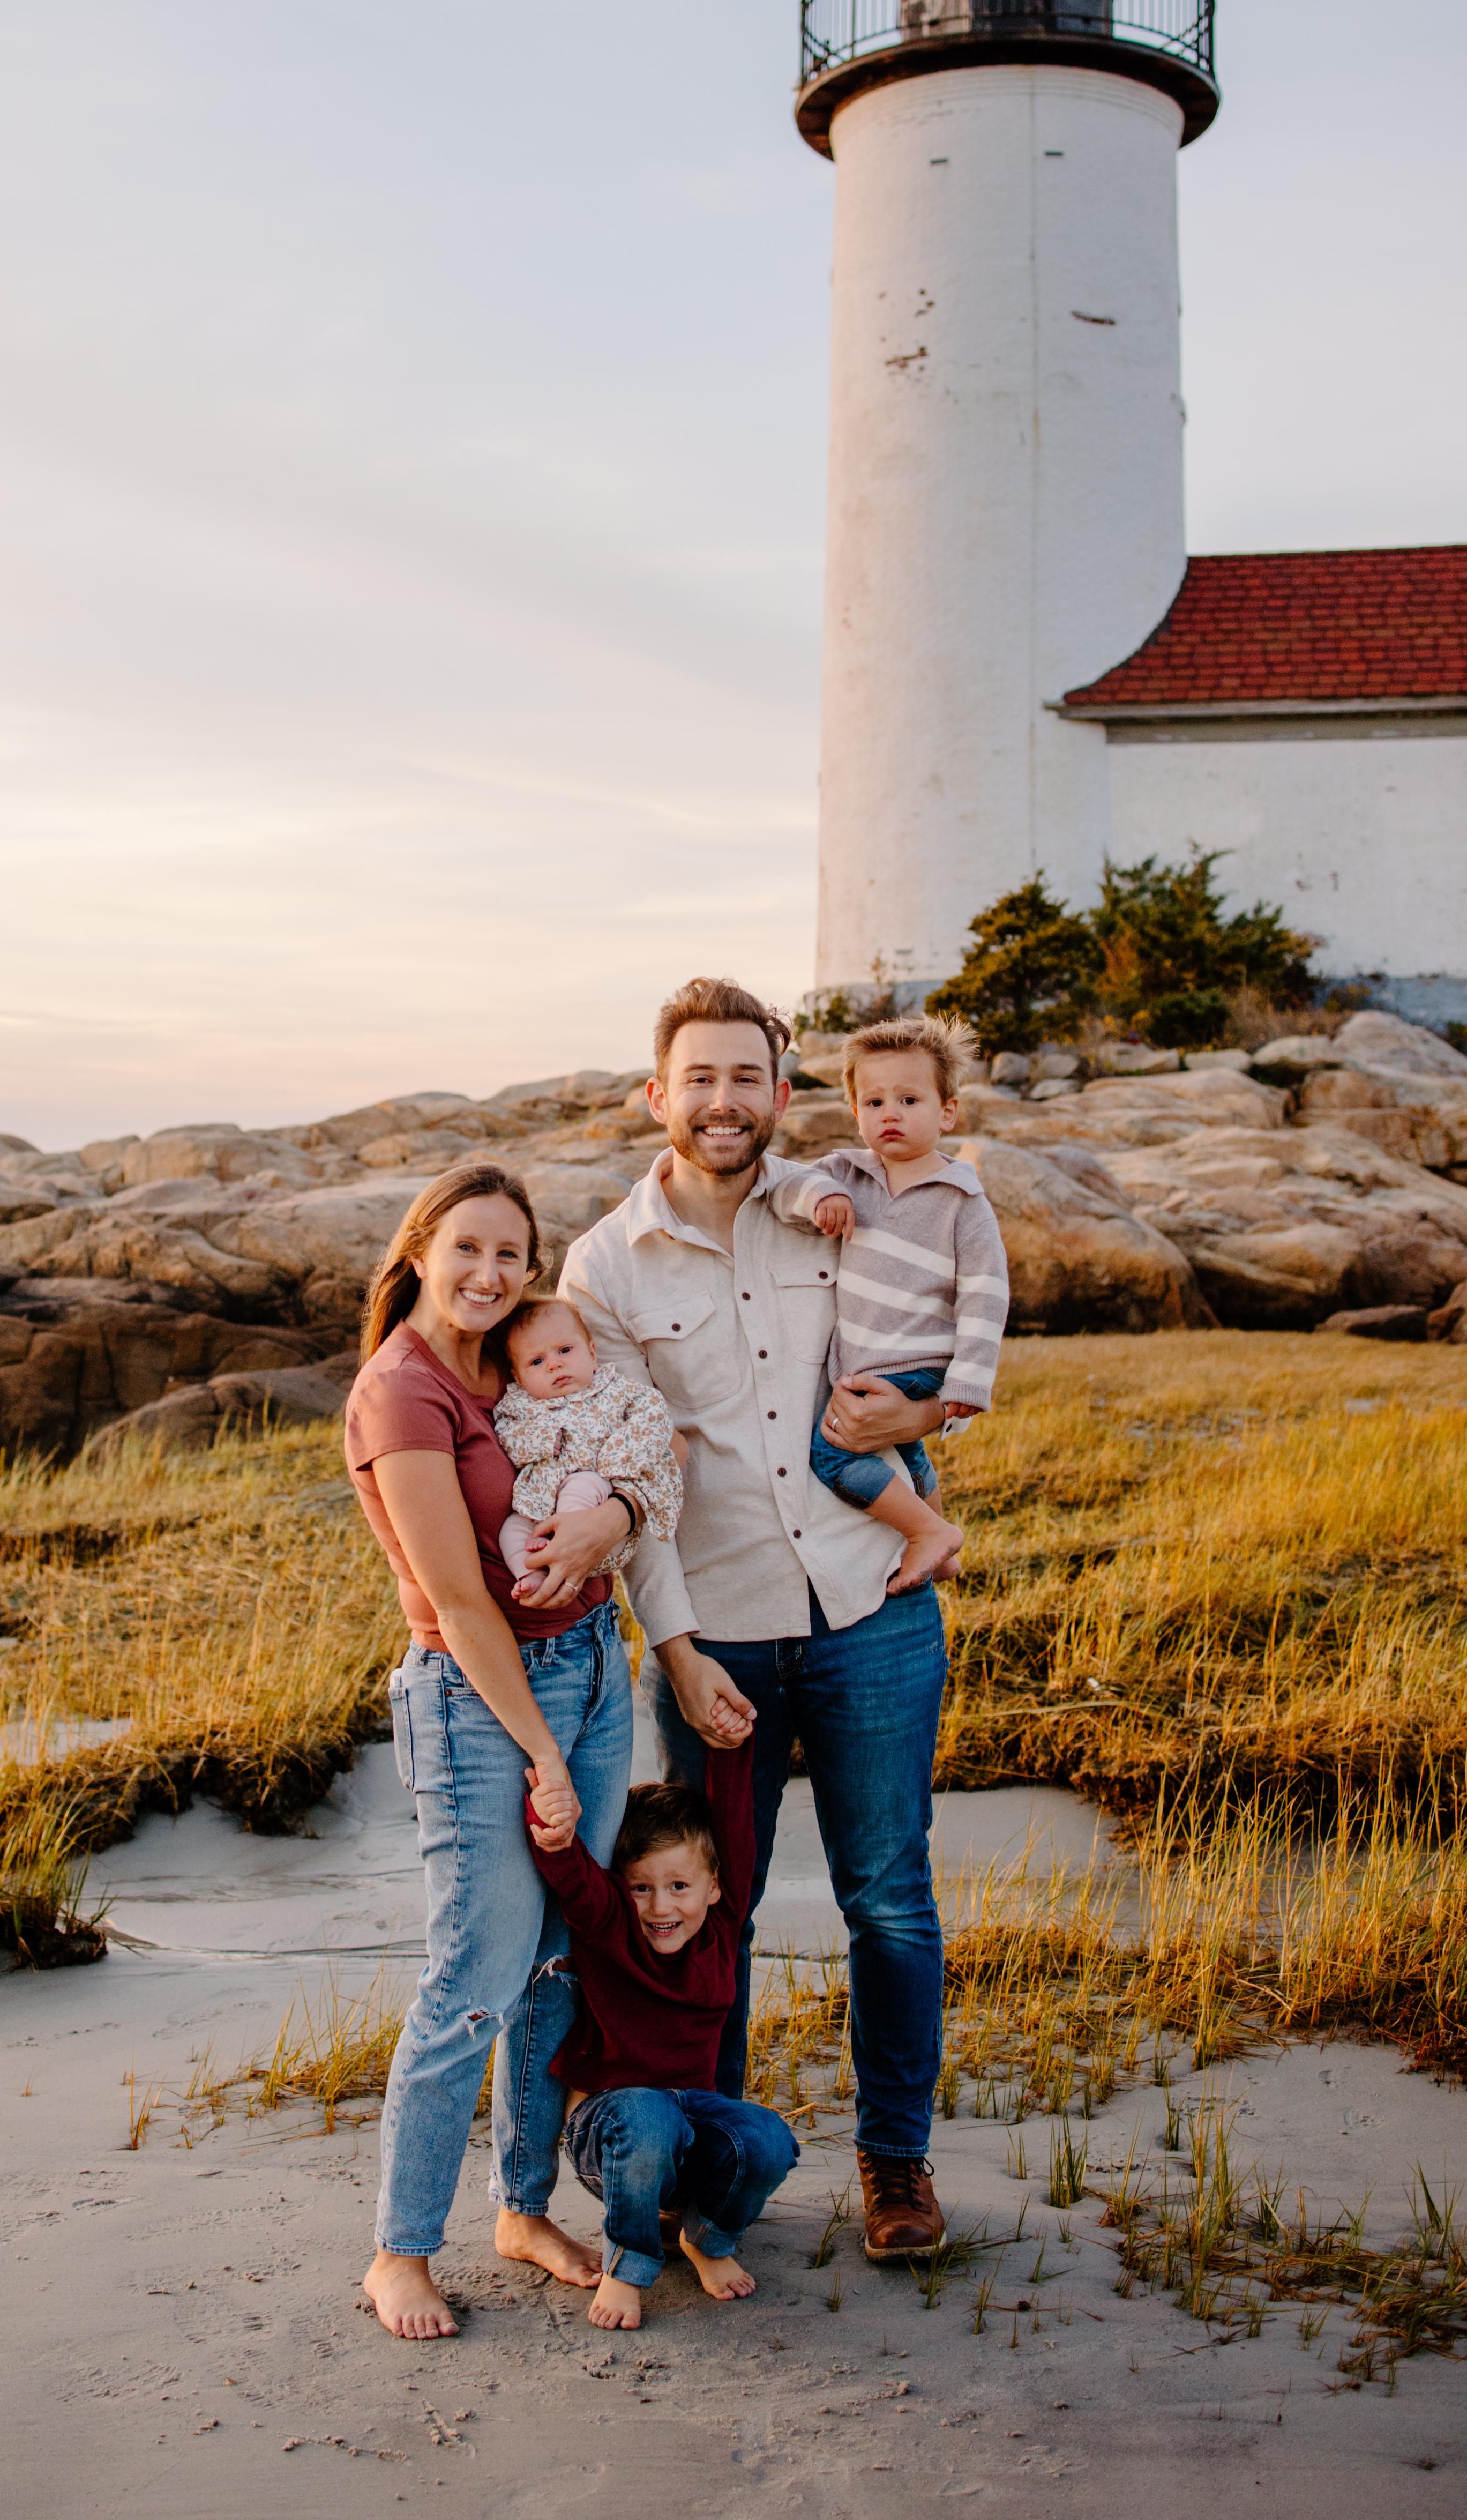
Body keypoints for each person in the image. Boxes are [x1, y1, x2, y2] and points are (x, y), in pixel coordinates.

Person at [555, 976, 962, 2262]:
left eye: (748, 1078)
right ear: (657, 1093)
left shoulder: (843, 1211)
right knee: (708, 1909)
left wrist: (928, 1408)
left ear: (781, 1094)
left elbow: (942, 1325)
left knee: (889, 1899)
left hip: (870, 1604)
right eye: (700, 1078)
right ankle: (708, 2163)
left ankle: (896, 2167)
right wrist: (673, 1650)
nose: (724, 1102)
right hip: (717, 1627)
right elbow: (624, 1472)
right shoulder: (604, 1266)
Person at [342, 1164, 653, 2340]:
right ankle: (399, 2252)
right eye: (466, 1249)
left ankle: (521, 2207)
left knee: (561, 1960)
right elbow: (459, 1602)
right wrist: (546, 1754)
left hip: (590, 1665)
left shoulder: (511, 1361)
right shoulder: (401, 1393)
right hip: (483, 1705)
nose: (488, 1274)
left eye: (510, 1256)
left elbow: (609, 1460)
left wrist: (617, 1521)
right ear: (420, 1248)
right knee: (475, 1978)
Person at [526, 1737, 799, 2331]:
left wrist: (732, 1745)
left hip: (690, 2122)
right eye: (642, 1887)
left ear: (715, 1888)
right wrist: (547, 1821)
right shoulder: (610, 1925)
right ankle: (630, 2263)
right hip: (613, 2132)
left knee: (767, 2138)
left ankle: (706, 2236)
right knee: (649, 2115)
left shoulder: (722, 1929)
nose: (659, 1907)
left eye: (679, 1886)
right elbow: (569, 1872)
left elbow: (734, 1823)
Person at [775, 1013, 1009, 1595]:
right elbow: (784, 1188)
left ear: (947, 1111)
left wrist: (968, 1384)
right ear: (856, 1113)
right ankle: (942, 1542)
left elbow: (986, 1295)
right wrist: (822, 1195)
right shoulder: (847, 1174)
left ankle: (925, 1531)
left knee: (831, 1455)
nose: (891, 1114)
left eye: (909, 1099)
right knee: (902, 1448)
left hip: (919, 1359)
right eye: (874, 1102)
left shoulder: (962, 1200)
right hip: (866, 1356)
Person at [491, 1296, 684, 1587]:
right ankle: (532, 1574)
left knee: (583, 1484)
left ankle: (569, 1545)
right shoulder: (519, 1406)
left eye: (565, 1350)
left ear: (592, 1354)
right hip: (541, 1506)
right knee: (512, 1530)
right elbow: (508, 1435)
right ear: (519, 1378)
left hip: (601, 1507)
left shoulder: (616, 1390)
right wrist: (543, 1441)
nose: (555, 1364)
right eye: (537, 1361)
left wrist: (617, 1456)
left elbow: (653, 1415)